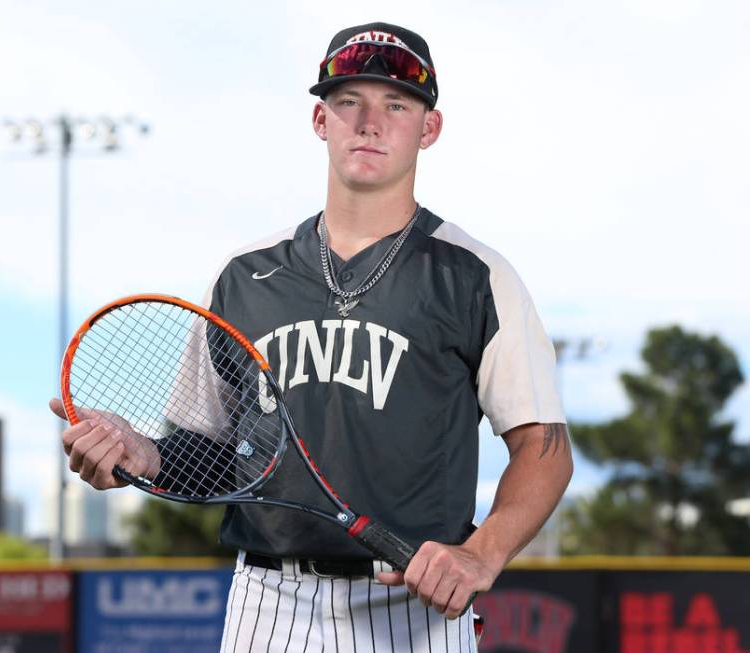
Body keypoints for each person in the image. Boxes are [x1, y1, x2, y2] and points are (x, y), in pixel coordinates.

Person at [50, 21, 573, 653]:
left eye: (397, 104)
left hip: (413, 602)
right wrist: (145, 457)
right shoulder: (244, 277)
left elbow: (544, 448)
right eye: (349, 100)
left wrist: (481, 555)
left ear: (428, 129)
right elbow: (212, 453)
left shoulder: (475, 275)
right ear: (321, 120)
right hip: (268, 600)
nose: (369, 122)